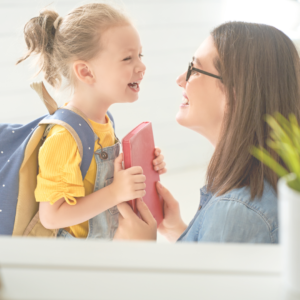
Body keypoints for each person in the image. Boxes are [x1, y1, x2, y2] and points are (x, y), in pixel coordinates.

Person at [114, 21, 300, 243]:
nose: (181, 80)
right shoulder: (257, 190)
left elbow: (196, 279)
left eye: (195, 69)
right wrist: (176, 230)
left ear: (235, 95)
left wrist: (141, 247)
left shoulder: (235, 213)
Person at [16, 3, 167, 239]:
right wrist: (115, 192)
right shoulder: (63, 138)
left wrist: (139, 167)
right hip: (75, 262)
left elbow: (94, 180)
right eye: (128, 58)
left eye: (140, 55)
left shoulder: (105, 121)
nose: (142, 66)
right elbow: (52, 216)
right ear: (86, 72)